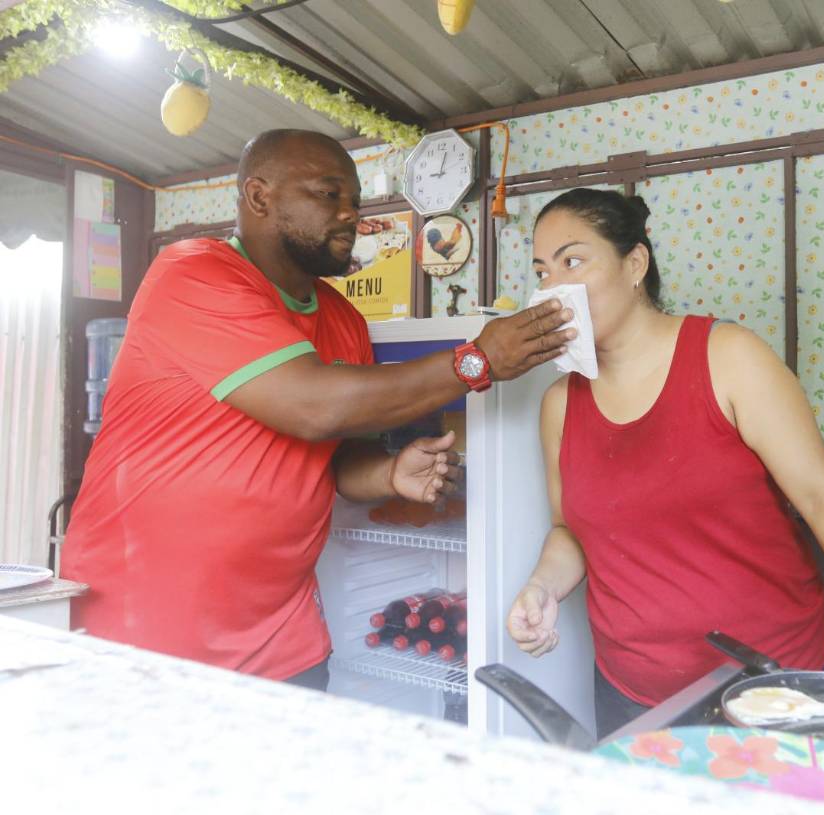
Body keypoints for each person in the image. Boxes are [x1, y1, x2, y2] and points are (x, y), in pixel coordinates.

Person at [62, 130, 575, 690]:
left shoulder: (342, 319)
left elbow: (331, 457)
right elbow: (313, 407)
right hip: (146, 631)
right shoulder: (192, 274)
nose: (351, 212)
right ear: (260, 197)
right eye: (329, 194)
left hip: (282, 638)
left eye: (354, 198)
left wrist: (387, 473)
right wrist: (479, 361)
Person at [505, 188, 824, 737]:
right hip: (632, 694)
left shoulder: (729, 357)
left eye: (572, 261)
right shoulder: (560, 404)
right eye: (542, 271)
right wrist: (540, 586)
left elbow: (822, 499)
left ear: (635, 264)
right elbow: (570, 530)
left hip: (769, 687)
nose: (554, 287)